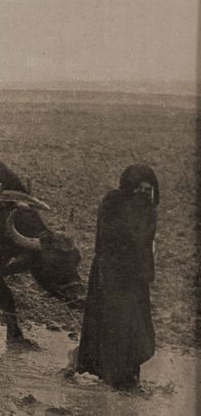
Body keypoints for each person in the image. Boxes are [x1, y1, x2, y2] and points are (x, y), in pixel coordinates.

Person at [75, 164, 159, 390]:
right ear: (128, 187)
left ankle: (128, 377)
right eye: (139, 189)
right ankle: (113, 379)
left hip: (135, 277)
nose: (143, 194)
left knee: (134, 326)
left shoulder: (148, 210)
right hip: (110, 273)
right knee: (113, 323)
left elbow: (145, 243)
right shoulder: (112, 203)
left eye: (148, 190)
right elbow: (111, 239)